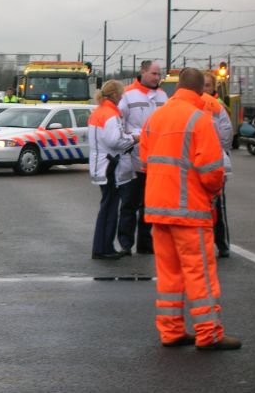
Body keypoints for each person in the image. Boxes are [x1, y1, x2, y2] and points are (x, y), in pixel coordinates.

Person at [140, 67, 241, 350]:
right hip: (190, 211)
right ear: (200, 91)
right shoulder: (199, 119)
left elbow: (145, 161)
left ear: (178, 87)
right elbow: (211, 171)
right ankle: (209, 333)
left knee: (169, 273)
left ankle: (171, 331)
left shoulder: (155, 117)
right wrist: (212, 194)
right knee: (200, 274)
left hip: (159, 209)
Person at [117, 60, 168, 255]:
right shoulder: (128, 95)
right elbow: (119, 123)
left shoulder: (163, 96)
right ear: (143, 72)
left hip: (156, 161)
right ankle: (125, 244)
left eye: (159, 74)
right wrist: (134, 138)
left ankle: (146, 244)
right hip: (134, 160)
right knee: (129, 204)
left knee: (150, 205)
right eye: (154, 74)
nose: (157, 77)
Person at [88, 80, 138, 260]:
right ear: (115, 95)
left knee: (107, 206)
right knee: (109, 208)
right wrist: (133, 139)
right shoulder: (110, 114)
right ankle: (103, 248)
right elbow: (114, 141)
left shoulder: (99, 112)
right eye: (121, 94)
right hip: (109, 165)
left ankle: (102, 246)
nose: (122, 97)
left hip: (100, 165)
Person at [202, 70, 233, 258]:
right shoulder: (194, 103)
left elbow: (226, 134)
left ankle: (222, 243)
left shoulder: (217, 105)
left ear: (213, 87)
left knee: (218, 205)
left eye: (208, 85)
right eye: (202, 85)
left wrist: (214, 150)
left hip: (214, 160)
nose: (204, 88)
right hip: (200, 160)